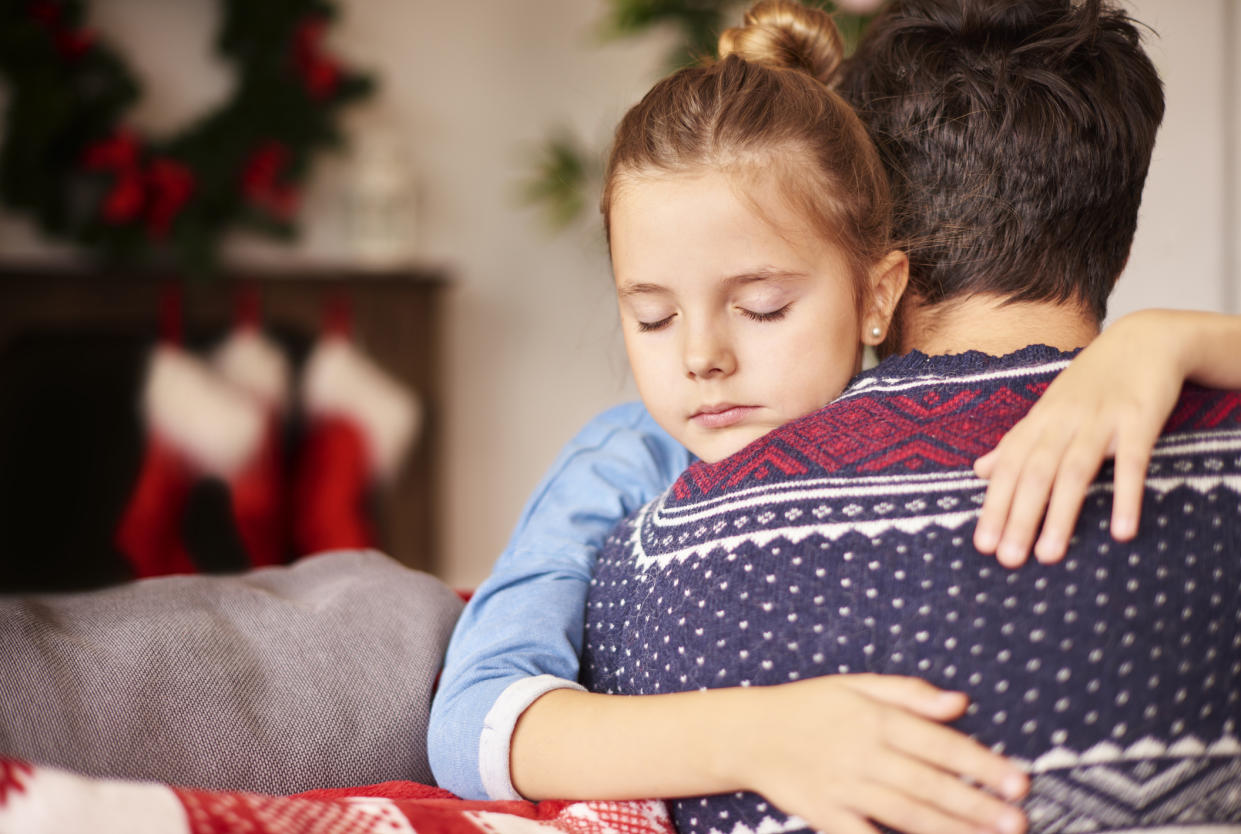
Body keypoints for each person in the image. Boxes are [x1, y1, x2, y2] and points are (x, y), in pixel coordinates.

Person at [430, 2, 1241, 832]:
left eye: (765, 306)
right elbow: (472, 717)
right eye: (651, 319)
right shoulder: (621, 463)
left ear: (875, 293)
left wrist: (1172, 337)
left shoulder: (1076, 388)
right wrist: (754, 735)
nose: (701, 358)